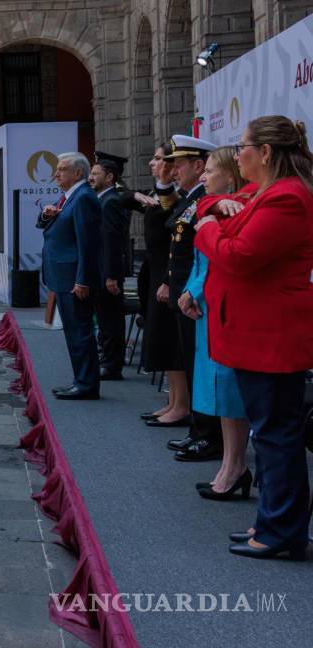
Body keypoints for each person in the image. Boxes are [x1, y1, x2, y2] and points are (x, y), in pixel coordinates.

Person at [195, 116, 313, 560]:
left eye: (242, 145)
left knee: (276, 435)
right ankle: (275, 523)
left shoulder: (286, 198)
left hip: (271, 337)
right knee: (271, 433)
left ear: (265, 153)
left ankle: (282, 532)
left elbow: (239, 256)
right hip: (256, 334)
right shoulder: (262, 194)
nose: (236, 152)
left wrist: (209, 229)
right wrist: (212, 214)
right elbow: (209, 204)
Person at [178, 146, 252, 500]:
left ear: (230, 175)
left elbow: (216, 261)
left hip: (218, 306)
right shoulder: (214, 206)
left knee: (229, 389)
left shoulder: (235, 208)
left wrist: (193, 291)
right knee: (220, 391)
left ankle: (235, 465)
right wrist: (190, 290)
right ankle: (230, 464)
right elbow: (199, 259)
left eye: (210, 171)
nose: (204, 177)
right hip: (206, 303)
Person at [160, 135, 222, 462]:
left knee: (201, 367)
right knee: (191, 362)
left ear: (199, 166)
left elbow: (203, 255)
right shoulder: (191, 199)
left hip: (196, 295)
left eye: (178, 165)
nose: (172, 171)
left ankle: (208, 434)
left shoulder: (207, 201)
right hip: (187, 292)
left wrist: (188, 290)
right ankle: (199, 430)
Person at [36, 152, 102, 400]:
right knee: (73, 332)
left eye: (62, 169)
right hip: (63, 276)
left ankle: (86, 384)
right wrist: (46, 214)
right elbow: (47, 226)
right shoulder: (69, 197)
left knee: (80, 332)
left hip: (74, 279)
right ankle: (80, 380)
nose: (56, 174)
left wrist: (82, 279)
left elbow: (88, 244)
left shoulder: (83, 197)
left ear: (77, 173)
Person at [134, 145, 191, 428]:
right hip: (155, 271)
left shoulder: (174, 195)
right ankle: (173, 401)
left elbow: (176, 241)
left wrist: (168, 280)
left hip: (167, 276)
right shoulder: (156, 193)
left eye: (160, 158)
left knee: (171, 343)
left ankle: (181, 405)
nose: (154, 163)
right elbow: (120, 196)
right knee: (162, 341)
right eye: (157, 158)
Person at [89, 152, 131, 380]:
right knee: (104, 319)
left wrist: (111, 276)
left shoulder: (112, 201)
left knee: (111, 320)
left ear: (110, 176)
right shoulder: (102, 199)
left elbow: (112, 242)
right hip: (100, 270)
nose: (91, 177)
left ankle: (112, 365)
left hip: (108, 272)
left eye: (96, 174)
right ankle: (106, 358)